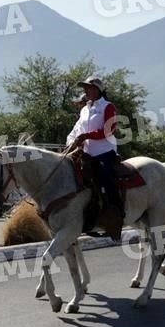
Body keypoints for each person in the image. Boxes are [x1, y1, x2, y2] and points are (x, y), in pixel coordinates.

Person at [72, 76, 124, 220]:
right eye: (85, 88)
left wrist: (85, 136)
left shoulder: (108, 106)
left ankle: (115, 211)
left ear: (97, 90)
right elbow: (77, 130)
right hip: (86, 153)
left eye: (88, 88)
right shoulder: (84, 110)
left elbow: (108, 130)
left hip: (104, 152)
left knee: (105, 177)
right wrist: (71, 143)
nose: (85, 91)